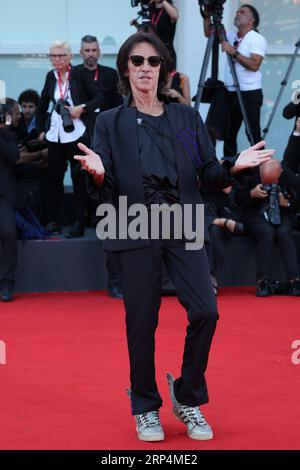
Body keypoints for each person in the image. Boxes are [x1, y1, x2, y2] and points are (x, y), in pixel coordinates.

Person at [74, 33, 273, 442]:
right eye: (137, 61)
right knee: (141, 323)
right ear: (126, 70)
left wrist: (235, 166)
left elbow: (208, 174)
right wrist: (96, 172)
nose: (145, 68)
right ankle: (145, 407)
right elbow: (103, 183)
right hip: (133, 224)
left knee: (206, 311)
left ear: (163, 68)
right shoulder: (109, 122)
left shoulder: (186, 120)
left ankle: (186, 395)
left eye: (153, 61)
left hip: (183, 224)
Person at [38, 40, 104, 238]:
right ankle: (55, 221)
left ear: (69, 57)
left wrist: (82, 108)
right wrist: (42, 129)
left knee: (79, 179)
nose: (56, 59)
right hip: (56, 135)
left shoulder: (80, 74)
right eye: (53, 56)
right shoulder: (50, 76)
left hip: (76, 134)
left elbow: (99, 98)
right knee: (54, 179)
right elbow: (42, 105)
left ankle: (79, 223)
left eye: (60, 55)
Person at [76, 34, 124, 298]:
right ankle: (115, 280)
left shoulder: (111, 78)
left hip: (125, 169)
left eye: (95, 49)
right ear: (81, 52)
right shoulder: (74, 75)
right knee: (112, 226)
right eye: (87, 49)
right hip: (89, 147)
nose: (91, 53)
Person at [204, 4, 267, 157]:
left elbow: (254, 65)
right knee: (229, 134)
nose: (237, 14)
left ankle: (260, 173)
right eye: (237, 11)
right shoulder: (232, 36)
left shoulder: (256, 39)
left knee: (252, 134)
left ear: (252, 20)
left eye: (242, 12)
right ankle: (230, 169)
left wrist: (234, 53)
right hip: (231, 92)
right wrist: (207, 15)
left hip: (249, 93)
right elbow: (209, 33)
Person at [235, 159, 300, 297]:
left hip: (283, 215)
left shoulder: (289, 177)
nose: (271, 185)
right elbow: (238, 199)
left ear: (280, 172)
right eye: (266, 181)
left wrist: (287, 203)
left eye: (274, 182)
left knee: (284, 232)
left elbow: (297, 202)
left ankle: (294, 280)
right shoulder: (250, 175)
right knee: (266, 231)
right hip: (257, 216)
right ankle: (262, 281)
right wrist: (251, 194)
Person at [0, 100, 20, 301]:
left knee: (8, 233)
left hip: (3, 194)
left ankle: (6, 284)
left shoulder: (9, 135)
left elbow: (13, 157)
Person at [131, 0, 178, 68]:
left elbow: (174, 16)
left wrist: (162, 1)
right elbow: (150, 32)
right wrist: (137, 25)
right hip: (153, 52)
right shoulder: (151, 11)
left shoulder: (168, 9)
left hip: (166, 52)